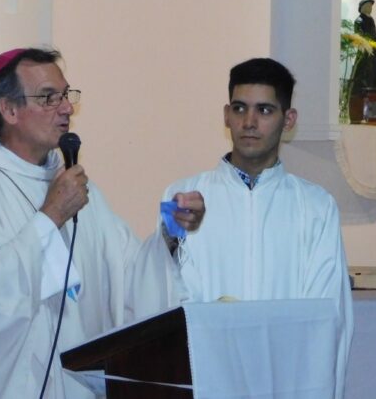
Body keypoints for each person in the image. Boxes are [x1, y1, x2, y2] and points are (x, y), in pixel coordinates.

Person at [0, 47, 204, 398]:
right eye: (48, 98)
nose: (66, 109)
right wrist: (52, 216)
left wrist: (170, 233)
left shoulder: (77, 189)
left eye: (66, 95)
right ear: (8, 109)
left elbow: (129, 277)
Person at [137, 57, 354, 397]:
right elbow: (159, 291)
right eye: (240, 108)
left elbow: (326, 318)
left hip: (284, 383)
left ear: (289, 119)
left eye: (265, 110)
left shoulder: (316, 207)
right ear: (226, 115)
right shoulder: (182, 196)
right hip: (208, 380)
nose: (249, 122)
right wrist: (170, 233)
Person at [352, 0, 376, 96]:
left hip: (374, 49)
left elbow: (375, 34)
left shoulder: (371, 20)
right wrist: (366, 44)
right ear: (362, 7)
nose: (370, 8)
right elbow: (359, 36)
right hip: (365, 49)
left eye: (371, 6)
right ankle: (363, 86)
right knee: (365, 67)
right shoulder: (358, 20)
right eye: (368, 6)